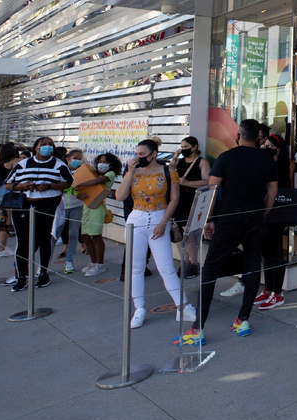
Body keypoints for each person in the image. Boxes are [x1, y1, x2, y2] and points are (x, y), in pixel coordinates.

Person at [176, 119, 277, 345]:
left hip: (229, 220)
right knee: (252, 269)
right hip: (255, 221)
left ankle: (197, 328)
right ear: (258, 137)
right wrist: (263, 214)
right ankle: (242, 320)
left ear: (239, 135)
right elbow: (272, 192)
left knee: (210, 270)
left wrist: (209, 219)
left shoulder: (226, 157)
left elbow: (210, 191)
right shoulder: (267, 159)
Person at [115, 139, 194, 329]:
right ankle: (139, 308)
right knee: (135, 268)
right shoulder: (132, 171)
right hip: (137, 219)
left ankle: (182, 306)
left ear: (154, 154)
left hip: (160, 217)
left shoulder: (168, 170)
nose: (138, 157)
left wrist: (163, 222)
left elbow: (174, 198)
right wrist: (130, 172)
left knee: (166, 266)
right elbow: (120, 196)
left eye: (142, 154)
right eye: (137, 154)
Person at [5, 137, 74, 292]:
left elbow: (68, 182)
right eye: (43, 145)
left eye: (50, 145)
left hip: (47, 205)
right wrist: (22, 186)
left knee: (44, 239)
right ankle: (21, 276)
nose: (47, 147)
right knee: (23, 241)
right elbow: (8, 184)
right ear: (36, 147)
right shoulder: (23, 164)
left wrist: (49, 185)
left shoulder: (59, 164)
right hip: (24, 205)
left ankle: (43, 272)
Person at [254, 132, 293, 310]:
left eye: (270, 146)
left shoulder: (282, 166)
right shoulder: (266, 163)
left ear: (279, 149)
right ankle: (268, 289)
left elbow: (277, 190)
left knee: (276, 253)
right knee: (266, 252)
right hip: (265, 214)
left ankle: (277, 293)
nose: (266, 149)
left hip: (276, 214)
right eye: (264, 146)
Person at [172, 136, 210, 278]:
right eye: (182, 147)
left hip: (193, 200)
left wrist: (188, 183)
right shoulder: (180, 162)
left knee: (189, 233)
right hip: (178, 200)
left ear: (194, 147)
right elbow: (170, 172)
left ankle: (193, 263)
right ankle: (184, 262)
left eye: (186, 147)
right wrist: (175, 157)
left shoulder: (202, 162)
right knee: (178, 234)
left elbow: (207, 181)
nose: (183, 150)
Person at [77, 153, 118, 276]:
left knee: (96, 236)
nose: (101, 164)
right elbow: (83, 192)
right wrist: (80, 194)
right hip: (87, 207)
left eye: (105, 162)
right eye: (100, 161)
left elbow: (97, 182)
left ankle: (100, 264)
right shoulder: (94, 175)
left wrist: (80, 184)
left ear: (111, 164)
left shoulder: (110, 174)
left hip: (98, 207)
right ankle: (93, 262)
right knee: (85, 236)